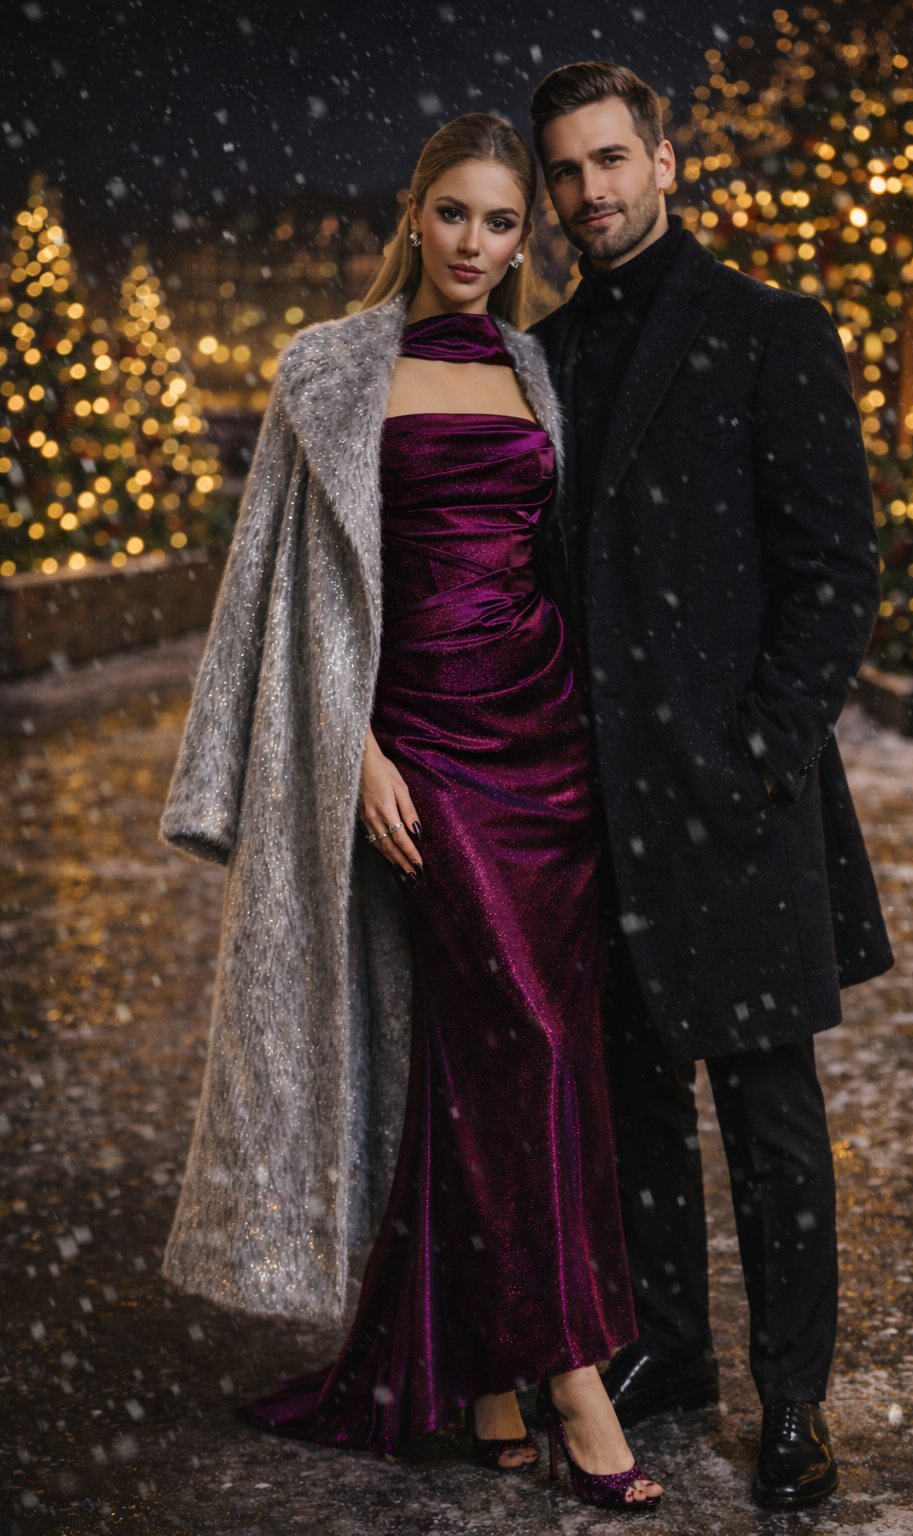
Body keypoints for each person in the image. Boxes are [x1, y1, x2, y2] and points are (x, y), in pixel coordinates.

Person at [160, 113, 662, 1511]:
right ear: (418, 211)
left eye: (504, 224)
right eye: (455, 214)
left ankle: (491, 1374)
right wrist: (354, 746)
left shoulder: (534, 368)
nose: (476, 246)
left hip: (546, 748)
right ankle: (570, 1372)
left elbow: (563, 564)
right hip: (422, 751)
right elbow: (275, 590)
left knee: (498, 1054)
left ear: (524, 239)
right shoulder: (331, 365)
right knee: (523, 1037)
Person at [528, 62, 894, 1509]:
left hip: (736, 803)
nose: (589, 193)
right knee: (633, 1106)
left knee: (770, 1118)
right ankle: (669, 1351)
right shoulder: (541, 357)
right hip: (597, 809)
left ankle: (793, 1398)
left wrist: (760, 751)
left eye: (611, 159)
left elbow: (835, 574)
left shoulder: (768, 331)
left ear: (665, 159)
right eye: (565, 171)